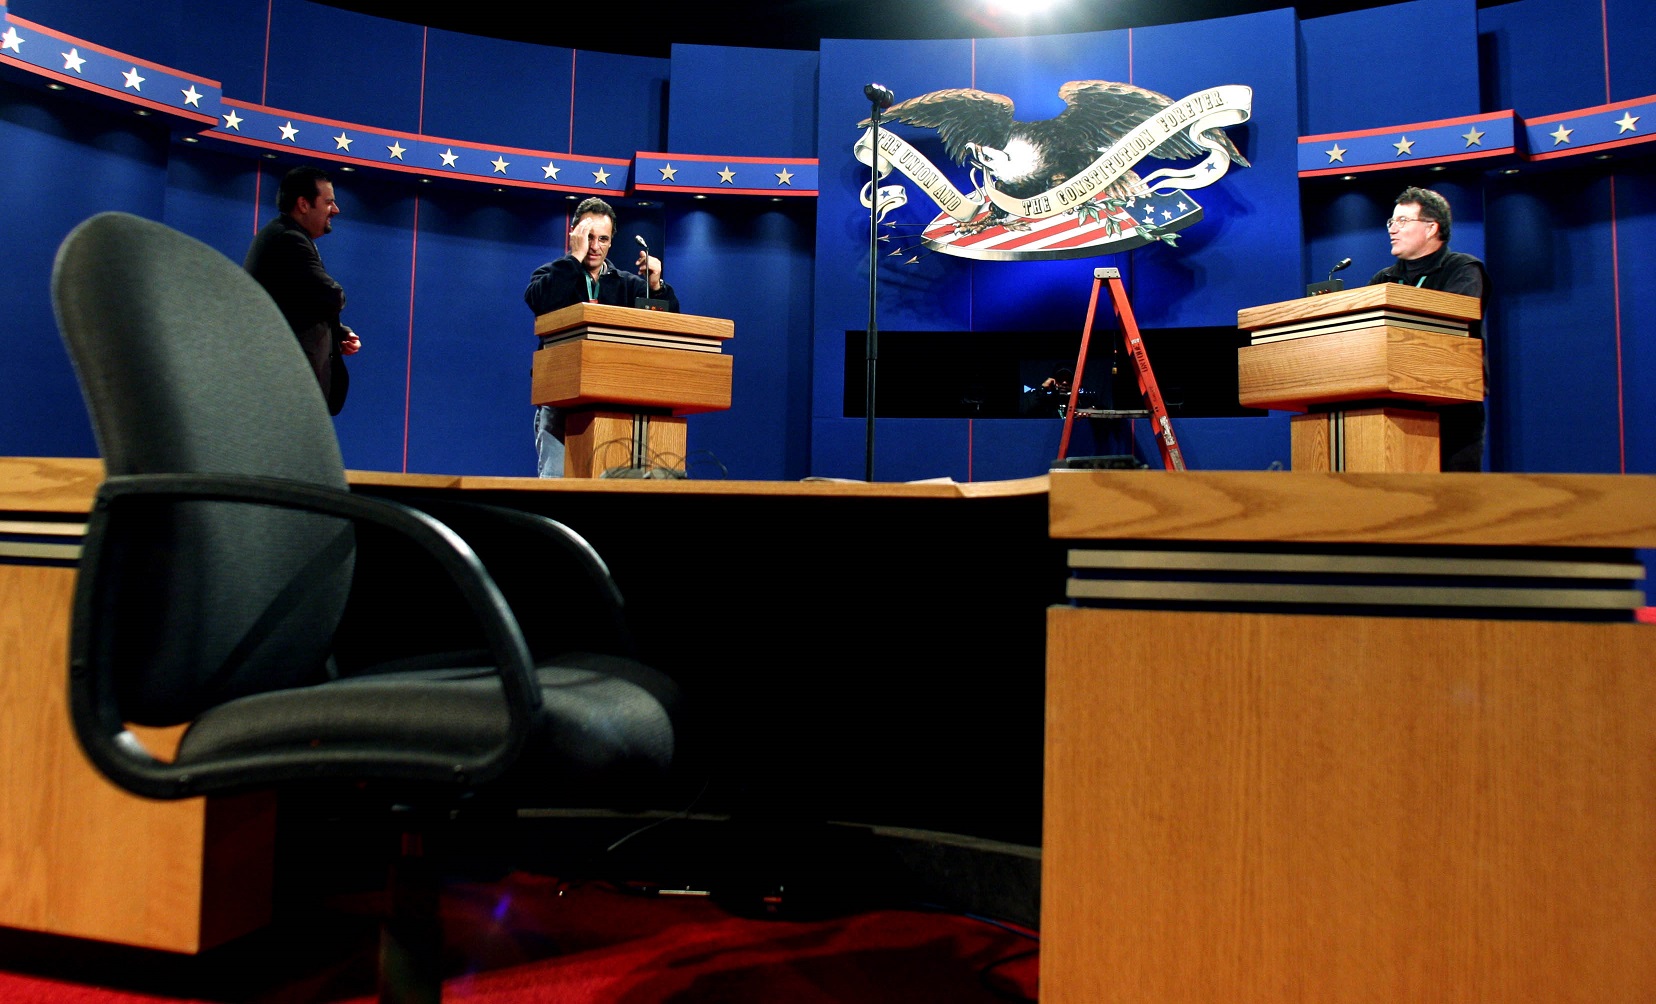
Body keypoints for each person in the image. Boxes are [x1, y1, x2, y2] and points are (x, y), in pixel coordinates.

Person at [523, 197, 678, 477]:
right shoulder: (552, 274)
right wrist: (574, 259)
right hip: (561, 401)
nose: (595, 246)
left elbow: (669, 325)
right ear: (574, 235)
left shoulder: (629, 285)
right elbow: (540, 301)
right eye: (588, 237)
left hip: (615, 403)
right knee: (558, 487)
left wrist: (656, 288)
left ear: (611, 242)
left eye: (603, 239)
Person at [1368, 186, 1490, 471]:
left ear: (1431, 228)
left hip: (1451, 406)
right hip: (1394, 407)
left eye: (1402, 221)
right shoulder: (1383, 280)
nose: (1392, 229)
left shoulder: (1463, 269)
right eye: (1391, 221)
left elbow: (1450, 325)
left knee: (1452, 493)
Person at [244, 165, 361, 415]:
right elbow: (332, 296)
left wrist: (338, 332)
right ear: (304, 204)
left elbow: (298, 304)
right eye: (328, 202)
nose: (336, 210)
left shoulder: (287, 235)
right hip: (287, 390)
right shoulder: (289, 239)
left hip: (287, 388)